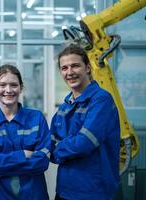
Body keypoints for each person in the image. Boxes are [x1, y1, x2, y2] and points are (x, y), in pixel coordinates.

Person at [50, 44, 120, 200]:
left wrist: (56, 150)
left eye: (75, 66)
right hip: (64, 189)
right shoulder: (65, 106)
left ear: (88, 68)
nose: (70, 72)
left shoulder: (101, 100)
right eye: (64, 68)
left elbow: (84, 143)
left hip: (92, 191)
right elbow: (50, 141)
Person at [0, 64, 50, 200]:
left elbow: (42, 162)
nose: (8, 90)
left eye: (14, 85)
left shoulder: (37, 118)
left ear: (21, 88)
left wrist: (0, 164)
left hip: (33, 195)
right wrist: (23, 155)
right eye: (2, 85)